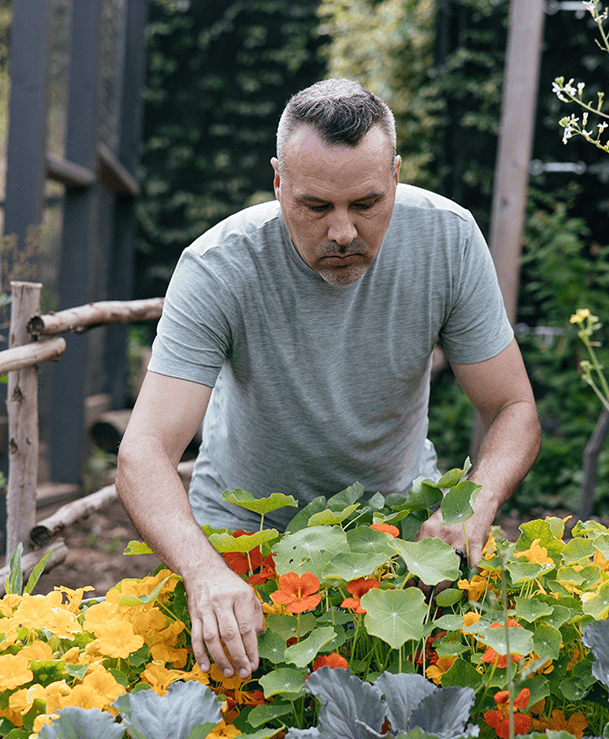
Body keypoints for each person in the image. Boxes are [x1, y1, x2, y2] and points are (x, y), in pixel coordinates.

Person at [116, 79, 540, 683]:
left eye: (366, 204)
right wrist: (203, 569)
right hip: (243, 540)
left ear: (395, 175)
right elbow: (145, 449)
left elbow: (513, 406)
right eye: (316, 207)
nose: (342, 231)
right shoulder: (219, 265)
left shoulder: (448, 238)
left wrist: (473, 501)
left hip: (396, 535)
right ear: (278, 182)